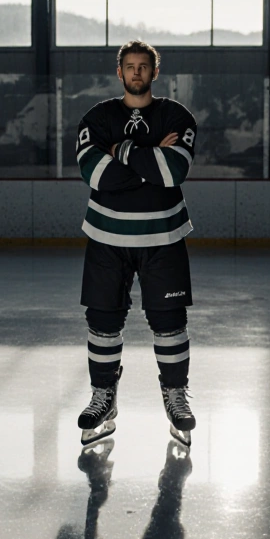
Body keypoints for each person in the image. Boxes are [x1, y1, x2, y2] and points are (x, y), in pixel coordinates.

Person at [74, 40, 198, 448]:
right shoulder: (97, 117)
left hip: (163, 237)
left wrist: (122, 150)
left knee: (169, 322)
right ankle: (103, 397)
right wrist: (148, 161)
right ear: (120, 71)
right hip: (107, 238)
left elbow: (174, 170)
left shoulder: (178, 116)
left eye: (144, 66)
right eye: (130, 66)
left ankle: (176, 397)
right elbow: (96, 175)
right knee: (103, 321)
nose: (137, 73)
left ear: (154, 71)